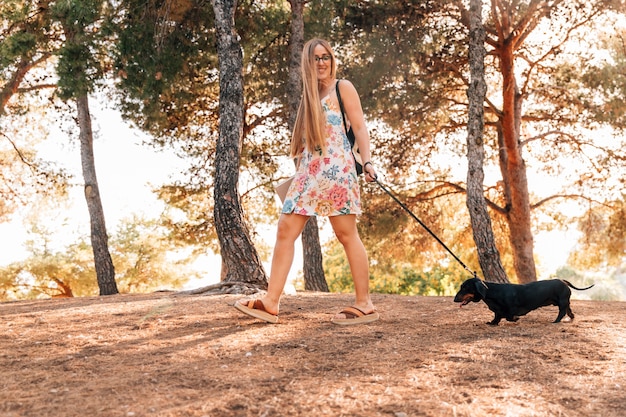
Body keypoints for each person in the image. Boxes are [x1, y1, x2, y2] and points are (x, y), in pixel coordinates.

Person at [234, 38, 379, 325]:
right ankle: (270, 302)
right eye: (316, 58)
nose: (322, 62)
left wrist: (369, 161)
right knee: (285, 228)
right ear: (308, 63)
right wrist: (300, 168)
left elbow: (360, 125)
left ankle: (365, 303)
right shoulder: (309, 95)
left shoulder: (343, 87)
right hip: (308, 171)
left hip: (337, 168)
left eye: (326, 57)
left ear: (332, 60)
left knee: (346, 234)